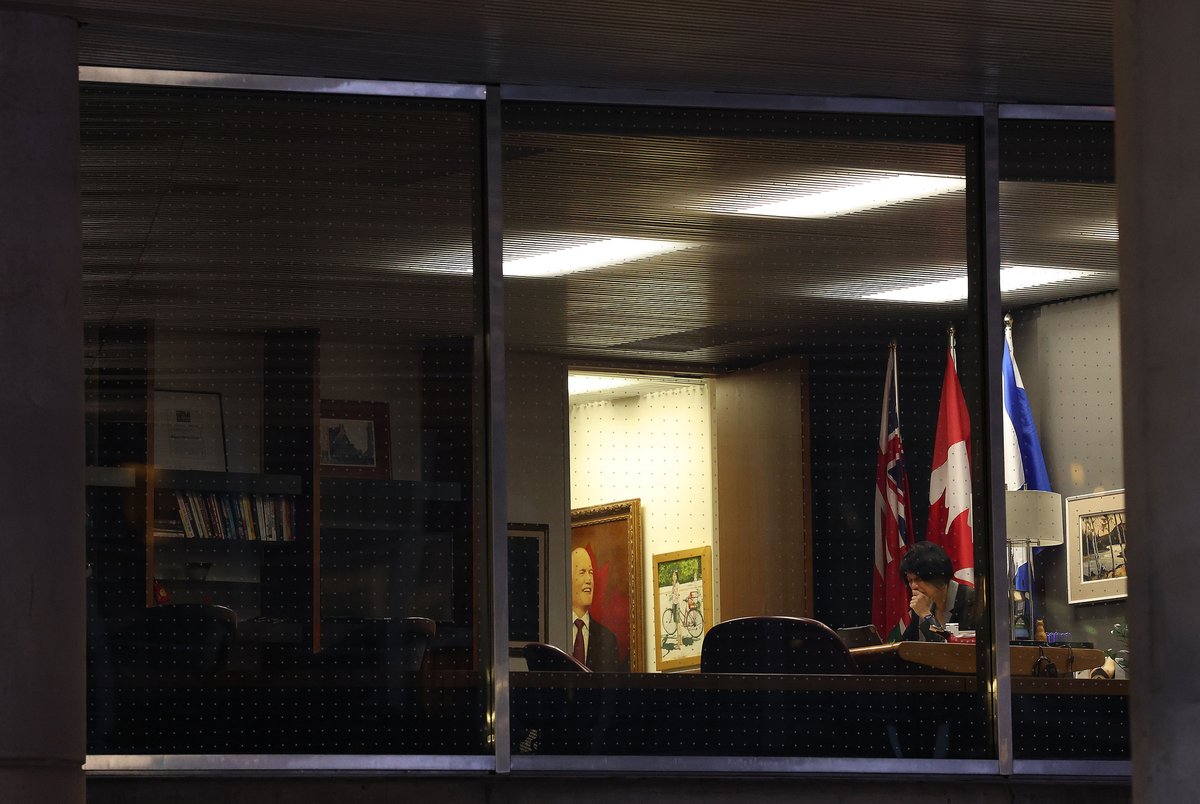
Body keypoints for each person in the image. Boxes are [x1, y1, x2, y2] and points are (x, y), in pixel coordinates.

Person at [899, 541, 976, 642]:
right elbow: (906, 645)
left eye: (919, 579)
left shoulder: (970, 600)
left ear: (938, 575)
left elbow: (949, 650)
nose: (913, 586)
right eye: (910, 580)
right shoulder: (923, 603)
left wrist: (927, 616)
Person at [570, 547, 622, 671]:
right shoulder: (556, 633)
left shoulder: (608, 640)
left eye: (591, 573)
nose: (589, 580)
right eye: (582, 572)